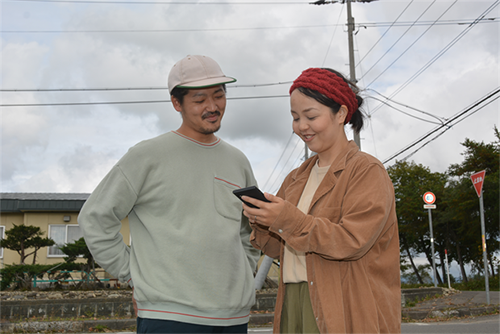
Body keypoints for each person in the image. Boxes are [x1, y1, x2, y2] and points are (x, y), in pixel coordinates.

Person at [78, 55, 261, 334]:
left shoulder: (238, 161)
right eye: (200, 100)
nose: (212, 107)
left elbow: (251, 231)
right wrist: (132, 275)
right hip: (168, 316)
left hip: (233, 318)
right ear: (177, 103)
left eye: (219, 96)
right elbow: (95, 217)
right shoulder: (147, 155)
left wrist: (244, 275)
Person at [241, 68, 401, 333]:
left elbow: (351, 241)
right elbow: (275, 248)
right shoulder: (296, 178)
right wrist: (261, 220)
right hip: (292, 301)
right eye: (295, 117)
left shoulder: (366, 170)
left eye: (311, 116)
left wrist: (286, 219)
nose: (301, 126)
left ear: (340, 114)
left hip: (346, 306)